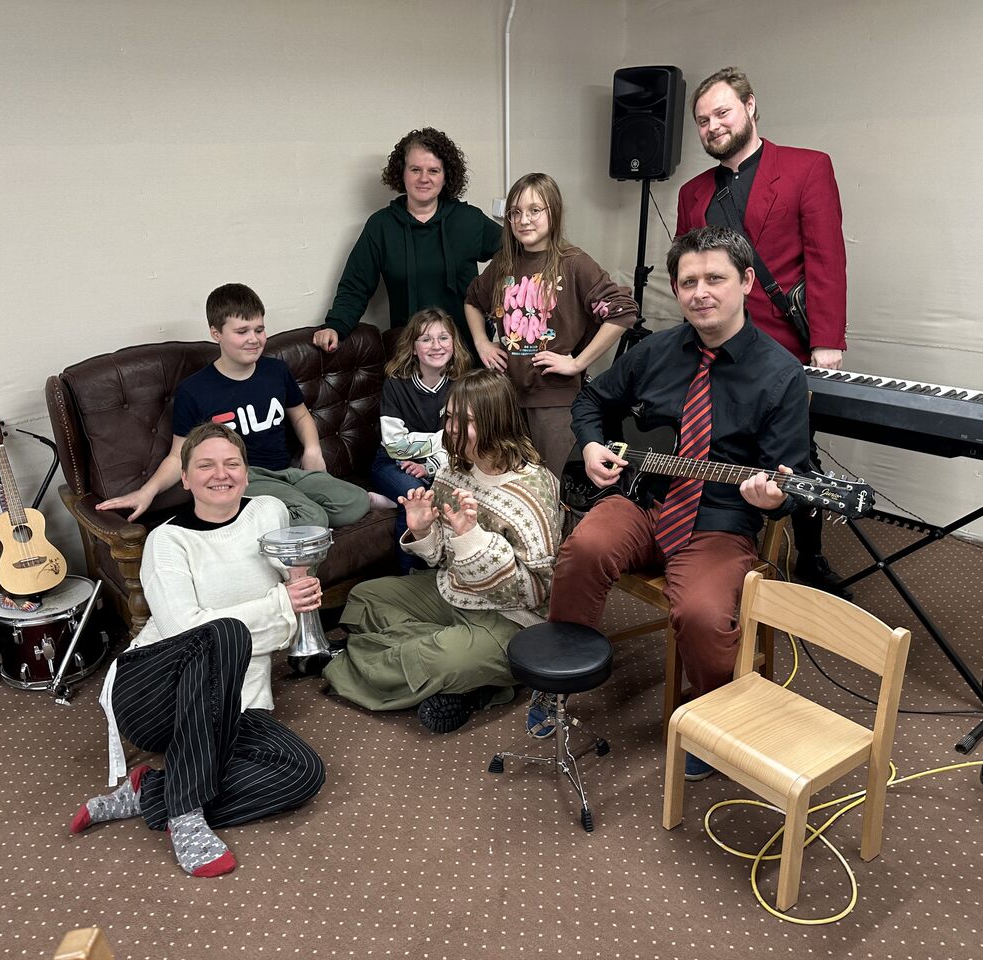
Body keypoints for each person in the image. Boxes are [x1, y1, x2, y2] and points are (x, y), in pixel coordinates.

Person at [542, 226, 811, 779]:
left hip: (720, 521)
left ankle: (712, 718)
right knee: (583, 550)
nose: (701, 292)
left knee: (702, 614)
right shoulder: (656, 351)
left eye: (715, 278)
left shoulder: (780, 374)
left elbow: (792, 483)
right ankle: (558, 687)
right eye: (689, 282)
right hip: (643, 499)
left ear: (747, 282)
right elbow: (592, 399)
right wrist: (590, 444)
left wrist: (771, 499)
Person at [72, 422, 325, 876]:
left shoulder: (269, 512)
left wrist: (293, 594)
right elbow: (184, 631)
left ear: (246, 472)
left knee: (303, 773)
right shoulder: (166, 541)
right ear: (185, 479)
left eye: (232, 463)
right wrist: (276, 606)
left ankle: (154, 792)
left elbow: (286, 628)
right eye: (205, 465)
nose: (221, 474)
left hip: (236, 702)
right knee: (223, 634)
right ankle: (186, 814)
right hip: (152, 693)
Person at [676, 66, 849, 598]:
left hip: (784, 346)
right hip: (716, 346)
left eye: (722, 112)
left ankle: (810, 554)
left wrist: (827, 340)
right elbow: (689, 273)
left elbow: (826, 258)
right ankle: (720, 542)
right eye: (702, 120)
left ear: (750, 106)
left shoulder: (807, 167)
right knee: (719, 443)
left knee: (796, 453)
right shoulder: (691, 192)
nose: (712, 126)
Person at [322, 370, 563, 734]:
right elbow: (439, 559)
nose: (451, 428)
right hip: (452, 591)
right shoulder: (453, 470)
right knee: (364, 599)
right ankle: (465, 677)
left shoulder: (533, 488)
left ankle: (454, 672)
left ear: (496, 422)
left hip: (512, 618)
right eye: (449, 417)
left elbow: (536, 593)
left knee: (439, 660)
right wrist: (423, 530)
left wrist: (473, 540)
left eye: (466, 421)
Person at [97, 283, 373, 529]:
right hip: (246, 480)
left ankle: (279, 515)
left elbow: (300, 415)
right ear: (216, 333)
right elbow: (178, 455)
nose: (254, 339)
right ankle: (264, 521)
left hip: (288, 472)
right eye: (242, 331)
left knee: (356, 502)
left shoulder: (275, 371)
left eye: (259, 329)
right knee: (312, 518)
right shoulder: (194, 390)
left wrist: (312, 450)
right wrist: (146, 492)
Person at [464, 172, 637, 480]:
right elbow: (472, 300)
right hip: (505, 398)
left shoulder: (574, 262)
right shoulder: (504, 262)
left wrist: (577, 363)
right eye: (515, 212)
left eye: (534, 210)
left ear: (553, 212)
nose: (524, 220)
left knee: (551, 484)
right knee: (509, 482)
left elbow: (623, 312)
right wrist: (482, 343)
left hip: (554, 400)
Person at [312, 128, 503, 366]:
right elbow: (355, 285)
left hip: (467, 353)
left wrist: (492, 300)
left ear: (446, 176)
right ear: (402, 173)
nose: (424, 178)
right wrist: (336, 326)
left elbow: (516, 254)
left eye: (433, 170)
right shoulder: (381, 226)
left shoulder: (469, 220)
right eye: (415, 169)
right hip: (411, 356)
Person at [374, 307, 472, 575]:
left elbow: (462, 441)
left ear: (454, 343)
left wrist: (429, 464)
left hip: (445, 461)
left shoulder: (461, 384)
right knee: (416, 496)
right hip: (392, 463)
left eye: (443, 338)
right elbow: (395, 444)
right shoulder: (396, 384)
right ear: (414, 348)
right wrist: (444, 439)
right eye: (426, 339)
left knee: (459, 491)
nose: (436, 346)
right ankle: (410, 576)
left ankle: (455, 571)